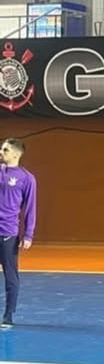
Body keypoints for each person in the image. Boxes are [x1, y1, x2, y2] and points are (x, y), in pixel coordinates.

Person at [0, 138, 36, 329]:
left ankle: (8, 315)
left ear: (15, 154)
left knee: (10, 275)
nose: (1, 152)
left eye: (5, 150)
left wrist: (28, 234)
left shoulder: (26, 178)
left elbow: (30, 208)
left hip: (8, 233)